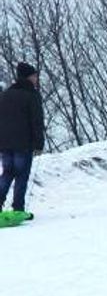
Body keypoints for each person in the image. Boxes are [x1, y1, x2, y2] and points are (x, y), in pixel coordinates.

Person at [0, 62, 45, 214]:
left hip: (5, 143)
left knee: (7, 173)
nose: (36, 79)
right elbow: (36, 121)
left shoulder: (5, 95)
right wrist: (39, 144)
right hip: (23, 144)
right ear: (29, 77)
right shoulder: (32, 95)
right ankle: (18, 208)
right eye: (34, 76)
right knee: (21, 175)